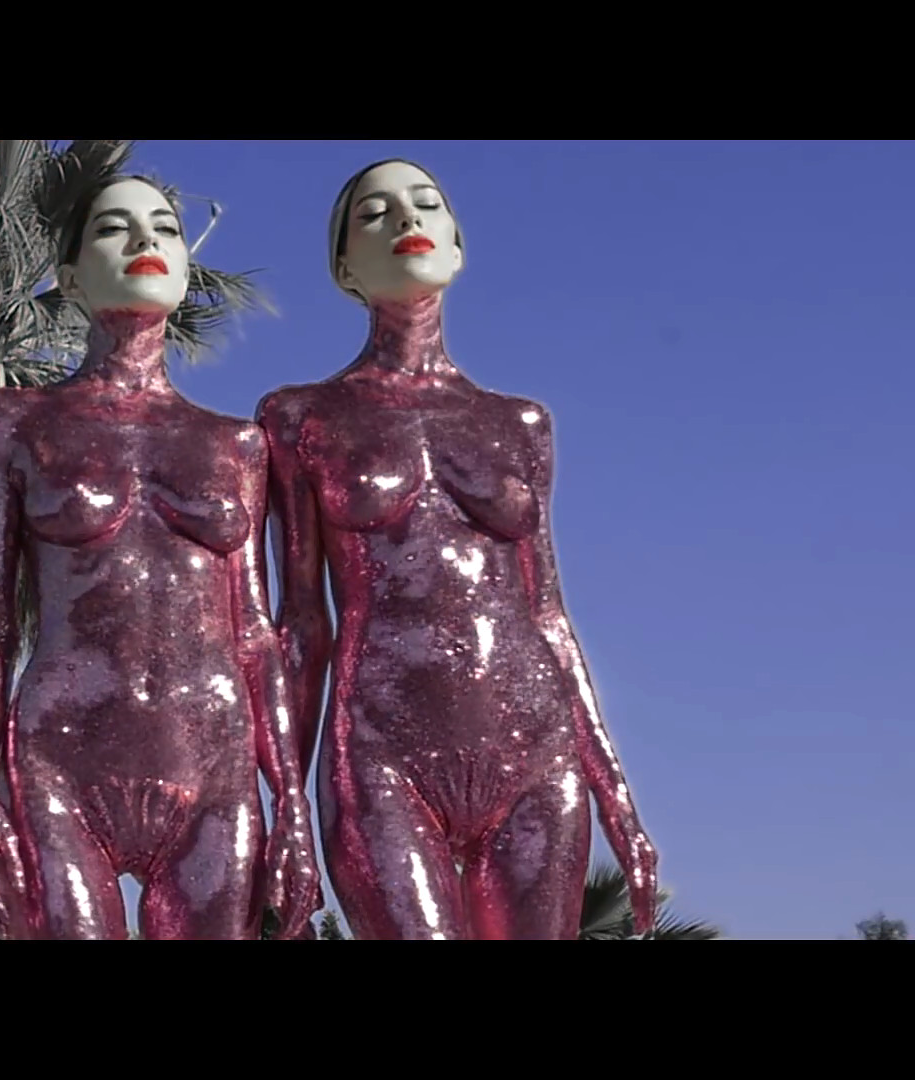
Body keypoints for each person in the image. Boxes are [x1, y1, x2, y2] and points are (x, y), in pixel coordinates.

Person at [257, 159, 659, 939]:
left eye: (425, 204)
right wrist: (287, 809)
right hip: (382, 753)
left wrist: (618, 802)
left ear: (457, 244)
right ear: (343, 267)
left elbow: (549, 617)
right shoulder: (300, 418)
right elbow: (301, 627)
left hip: (536, 751)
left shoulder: (521, 424)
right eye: (374, 212)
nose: (406, 219)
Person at [0, 175, 319, 939]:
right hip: (62, 759)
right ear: (69, 280)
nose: (145, 240)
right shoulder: (14, 422)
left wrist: (292, 800)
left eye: (164, 228)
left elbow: (255, 634)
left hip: (213, 761)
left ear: (185, 270)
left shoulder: (236, 444)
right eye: (114, 228)